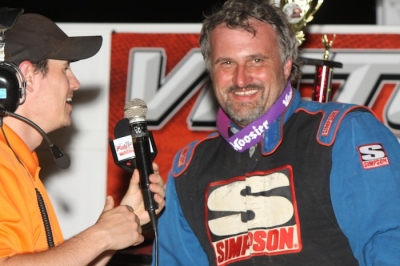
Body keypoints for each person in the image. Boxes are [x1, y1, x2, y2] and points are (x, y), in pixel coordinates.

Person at [155, 0, 400, 265]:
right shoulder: (188, 167)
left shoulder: (342, 132)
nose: (240, 79)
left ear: (286, 65)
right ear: (211, 71)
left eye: (256, 60)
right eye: (226, 63)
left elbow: (390, 243)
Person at [0, 10, 165, 266]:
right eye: (65, 69)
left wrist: (117, 227)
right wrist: (99, 236)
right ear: (28, 77)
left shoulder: (18, 163)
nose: (75, 83)